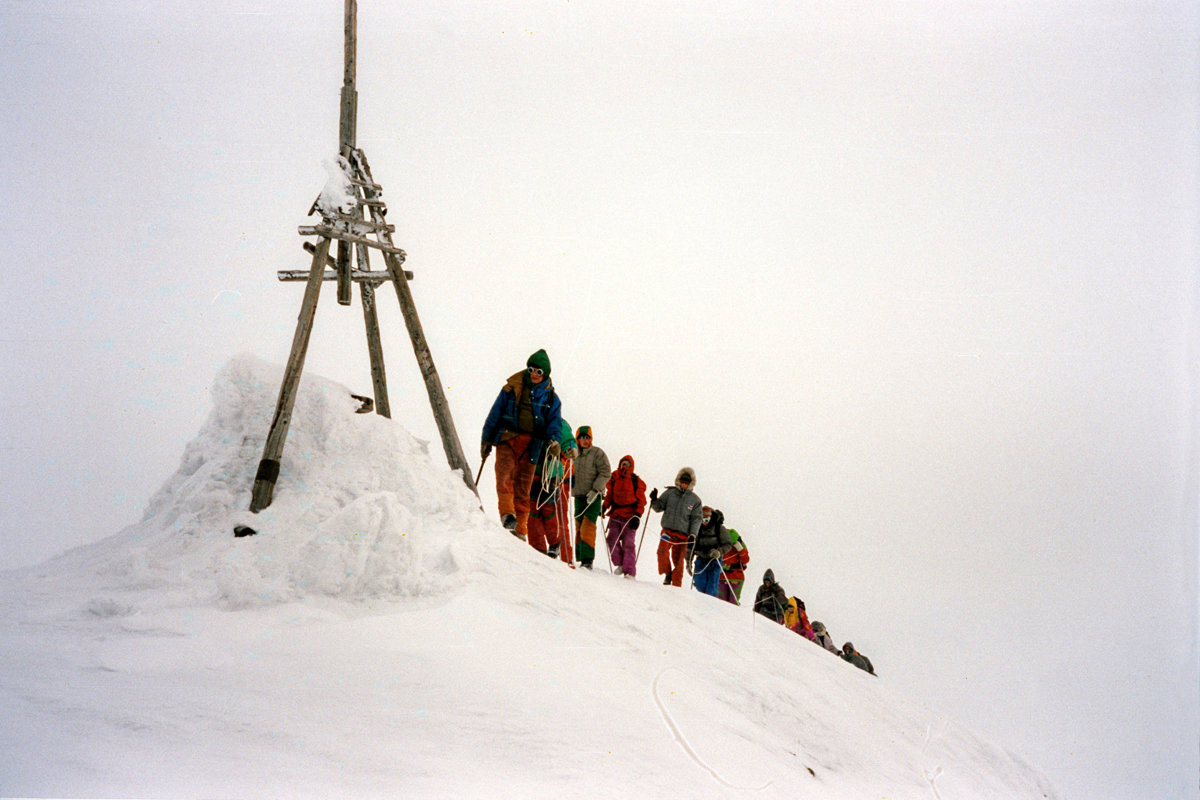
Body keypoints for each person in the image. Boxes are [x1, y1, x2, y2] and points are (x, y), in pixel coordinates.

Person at [481, 349, 562, 541]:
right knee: (504, 474)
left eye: (539, 371)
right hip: (508, 438)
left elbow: (554, 423)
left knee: (523, 487)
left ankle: (520, 528)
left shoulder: (551, 398)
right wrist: (486, 440)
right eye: (531, 369)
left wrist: (555, 442)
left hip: (532, 444)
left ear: (545, 374)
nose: (534, 373)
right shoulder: (511, 388)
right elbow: (495, 414)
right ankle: (508, 515)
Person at [526, 419, 575, 558]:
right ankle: (537, 548)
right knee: (533, 511)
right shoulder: (530, 416)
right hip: (533, 471)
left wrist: (571, 448)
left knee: (549, 509)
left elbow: (567, 438)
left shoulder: (557, 421)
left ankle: (554, 543)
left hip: (551, 472)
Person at [650, 467, 703, 587]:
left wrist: (692, 535)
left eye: (686, 483)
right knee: (661, 552)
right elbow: (658, 507)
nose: (683, 485)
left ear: (690, 484)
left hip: (683, 535)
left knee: (679, 562)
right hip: (667, 531)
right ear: (679, 481)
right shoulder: (670, 493)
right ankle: (667, 573)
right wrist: (654, 500)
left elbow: (696, 519)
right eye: (682, 482)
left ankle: (676, 587)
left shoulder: (695, 500)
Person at [570, 426, 610, 570]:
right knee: (579, 526)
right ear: (578, 439)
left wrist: (596, 490)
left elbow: (605, 472)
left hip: (594, 496)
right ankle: (581, 557)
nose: (585, 441)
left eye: (587, 438)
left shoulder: (598, 453)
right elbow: (569, 472)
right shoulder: (575, 455)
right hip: (579, 496)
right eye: (582, 438)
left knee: (588, 526)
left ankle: (588, 559)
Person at [601, 455, 646, 578]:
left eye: (627, 464)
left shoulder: (635, 481)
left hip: (630, 517)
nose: (624, 466)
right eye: (623, 464)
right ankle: (620, 564)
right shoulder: (614, 478)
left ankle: (630, 571)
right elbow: (609, 495)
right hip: (616, 514)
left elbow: (641, 500)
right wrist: (604, 507)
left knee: (628, 543)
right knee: (611, 539)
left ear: (631, 467)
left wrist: (637, 515)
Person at [690, 506, 732, 597]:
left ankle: (710, 607)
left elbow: (728, 544)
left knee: (711, 587)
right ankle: (700, 605)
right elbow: (691, 546)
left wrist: (719, 552)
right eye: (702, 519)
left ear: (711, 517)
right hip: (701, 559)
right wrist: (688, 561)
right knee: (699, 584)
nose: (704, 522)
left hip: (714, 560)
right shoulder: (697, 528)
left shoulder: (719, 528)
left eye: (706, 519)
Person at [718, 529, 750, 605]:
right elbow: (745, 559)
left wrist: (740, 549)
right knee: (730, 602)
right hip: (731, 576)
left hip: (732, 576)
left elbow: (745, 560)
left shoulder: (720, 543)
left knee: (722, 602)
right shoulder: (738, 542)